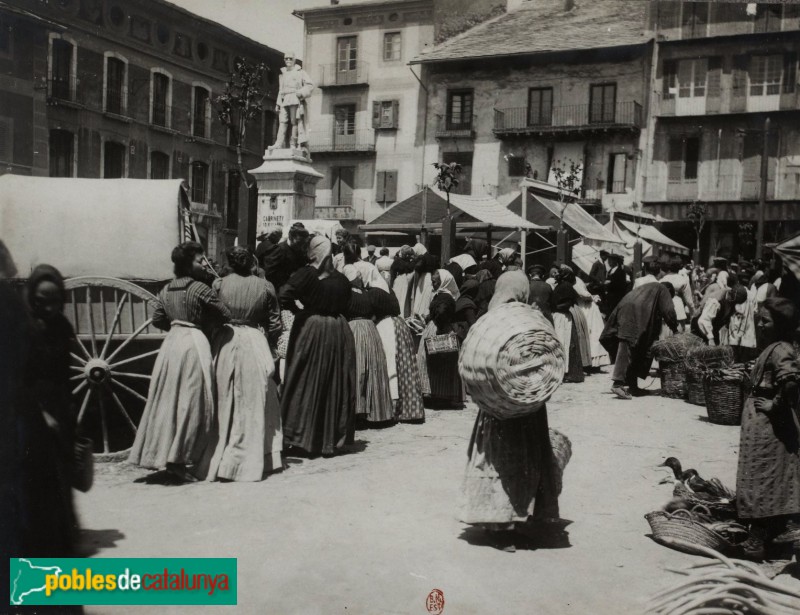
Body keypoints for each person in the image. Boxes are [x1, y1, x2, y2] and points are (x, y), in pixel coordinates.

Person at [458, 271, 563, 552]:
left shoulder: (490, 323)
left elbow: (473, 368)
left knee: (497, 461)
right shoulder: (532, 319)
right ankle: (506, 524)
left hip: (497, 412)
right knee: (521, 460)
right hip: (527, 409)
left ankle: (508, 523)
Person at [129, 243, 231, 481]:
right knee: (192, 400)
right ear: (187, 264)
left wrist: (176, 323)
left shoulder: (166, 290)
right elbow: (224, 313)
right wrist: (203, 323)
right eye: (199, 261)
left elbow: (158, 319)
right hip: (193, 344)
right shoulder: (199, 288)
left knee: (168, 400)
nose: (204, 264)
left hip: (172, 344)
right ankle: (180, 460)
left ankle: (165, 456)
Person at [18, 265, 82, 565]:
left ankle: (64, 533)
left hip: (60, 404)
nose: (48, 307)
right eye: (42, 301)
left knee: (64, 472)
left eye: (55, 301)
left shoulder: (62, 327)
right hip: (33, 409)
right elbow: (20, 379)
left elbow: (66, 373)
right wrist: (40, 414)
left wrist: (71, 412)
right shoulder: (25, 330)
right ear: (32, 299)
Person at [205, 247, 283, 482]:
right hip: (252, 338)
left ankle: (222, 454)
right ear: (250, 263)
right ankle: (260, 455)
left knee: (224, 395)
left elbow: (212, 315)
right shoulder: (264, 286)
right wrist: (268, 343)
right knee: (256, 397)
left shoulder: (219, 284)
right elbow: (275, 322)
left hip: (226, 339)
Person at [279, 236, 356, 456]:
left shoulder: (307, 274)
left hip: (312, 328)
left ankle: (301, 435)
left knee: (304, 378)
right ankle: (328, 439)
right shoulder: (341, 279)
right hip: (338, 329)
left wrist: (300, 310)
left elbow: (284, 294)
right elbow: (347, 303)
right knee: (333, 380)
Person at [736, 298, 800, 561]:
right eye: (759, 319)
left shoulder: (782, 349)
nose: (760, 324)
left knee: (764, 478)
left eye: (766, 320)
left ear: (781, 324)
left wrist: (775, 405)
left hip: (769, 428)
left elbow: (791, 384)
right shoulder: (772, 347)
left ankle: (761, 538)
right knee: (761, 476)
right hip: (759, 425)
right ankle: (769, 537)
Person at [600, 282, 678, 400]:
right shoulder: (663, 290)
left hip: (625, 307)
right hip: (633, 312)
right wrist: (675, 328)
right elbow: (668, 310)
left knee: (636, 348)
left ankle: (632, 385)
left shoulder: (649, 288)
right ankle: (618, 384)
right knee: (626, 345)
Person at [343, 266, 394, 425]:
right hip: (371, 329)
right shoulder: (367, 293)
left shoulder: (346, 294)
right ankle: (376, 411)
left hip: (354, 328)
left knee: (358, 369)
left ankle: (358, 411)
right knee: (373, 368)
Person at [369, 288, 425, 423]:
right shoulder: (386, 291)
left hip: (388, 326)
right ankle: (409, 409)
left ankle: (393, 409)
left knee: (391, 366)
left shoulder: (376, 292)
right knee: (404, 367)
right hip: (397, 324)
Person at [418, 269, 464, 407]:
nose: (433, 284)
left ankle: (436, 394)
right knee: (439, 364)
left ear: (443, 281)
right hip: (442, 327)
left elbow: (442, 312)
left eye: (435, 281)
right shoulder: (444, 295)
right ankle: (440, 394)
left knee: (431, 361)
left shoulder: (444, 297)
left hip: (439, 328)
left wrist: (434, 319)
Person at [270, 52, 314, 151]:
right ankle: (278, 143)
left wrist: (301, 92)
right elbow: (281, 90)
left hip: (295, 98)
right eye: (286, 58)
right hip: (285, 98)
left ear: (294, 60)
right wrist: (278, 103)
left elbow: (310, 85)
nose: (288, 60)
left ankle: (293, 143)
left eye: (290, 58)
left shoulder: (300, 72)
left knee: (294, 121)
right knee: (282, 121)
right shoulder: (283, 73)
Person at [552, 266, 587, 383]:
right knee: (565, 342)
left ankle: (560, 370)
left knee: (561, 342)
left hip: (558, 316)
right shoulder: (567, 287)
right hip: (563, 317)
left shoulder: (559, 286)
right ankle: (566, 371)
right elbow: (568, 303)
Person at [573, 274, 610, 368]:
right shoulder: (577, 280)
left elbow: (584, 294)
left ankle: (593, 361)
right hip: (586, 307)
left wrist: (592, 297)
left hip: (587, 309)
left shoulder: (576, 281)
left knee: (592, 333)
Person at [263, 223, 310, 293]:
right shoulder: (279, 250)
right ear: (290, 237)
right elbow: (269, 274)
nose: (301, 246)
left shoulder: (300, 250)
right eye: (299, 243)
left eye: (303, 243)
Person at [660, 260, 695, 331]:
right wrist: (693, 314)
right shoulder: (683, 280)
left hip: (663, 311)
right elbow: (689, 301)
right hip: (678, 310)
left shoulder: (661, 280)